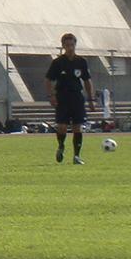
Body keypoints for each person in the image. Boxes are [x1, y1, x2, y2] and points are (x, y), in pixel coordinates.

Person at [46, 32, 94, 164]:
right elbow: (48, 80)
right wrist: (51, 96)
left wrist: (91, 99)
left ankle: (76, 156)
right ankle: (61, 146)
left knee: (77, 127)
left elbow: (87, 81)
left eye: (72, 45)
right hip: (62, 97)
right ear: (63, 46)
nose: (70, 48)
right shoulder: (58, 63)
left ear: (75, 45)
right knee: (62, 127)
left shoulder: (81, 62)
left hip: (77, 97)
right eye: (67, 45)